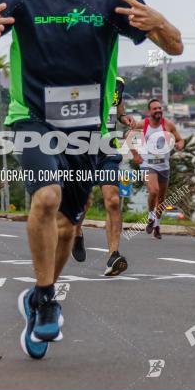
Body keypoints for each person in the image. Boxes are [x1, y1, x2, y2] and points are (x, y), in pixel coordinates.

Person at [0, 0, 183, 358]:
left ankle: (41, 295)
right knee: (47, 197)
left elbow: (173, 44)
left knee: (68, 224)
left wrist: (161, 24)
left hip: (87, 130)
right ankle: (48, 296)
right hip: (32, 119)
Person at [71, 76, 133, 276]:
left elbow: (117, 108)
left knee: (113, 200)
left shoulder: (117, 82)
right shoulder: (79, 78)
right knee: (85, 201)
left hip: (107, 149)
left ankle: (114, 255)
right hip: (82, 150)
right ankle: (76, 233)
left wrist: (124, 118)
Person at [130, 99, 184, 240]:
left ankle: (157, 225)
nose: (158, 110)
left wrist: (179, 145)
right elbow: (129, 137)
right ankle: (150, 217)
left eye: (159, 108)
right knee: (154, 191)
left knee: (161, 198)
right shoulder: (144, 124)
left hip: (164, 165)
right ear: (149, 112)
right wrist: (135, 155)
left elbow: (180, 139)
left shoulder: (168, 124)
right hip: (148, 164)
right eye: (155, 109)